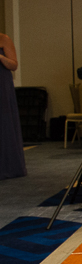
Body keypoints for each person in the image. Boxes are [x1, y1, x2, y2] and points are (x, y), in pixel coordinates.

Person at [0, 32, 26, 179]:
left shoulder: (3, 38)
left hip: (1, 84)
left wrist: (1, 57)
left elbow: (14, 65)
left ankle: (6, 165)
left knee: (3, 123)